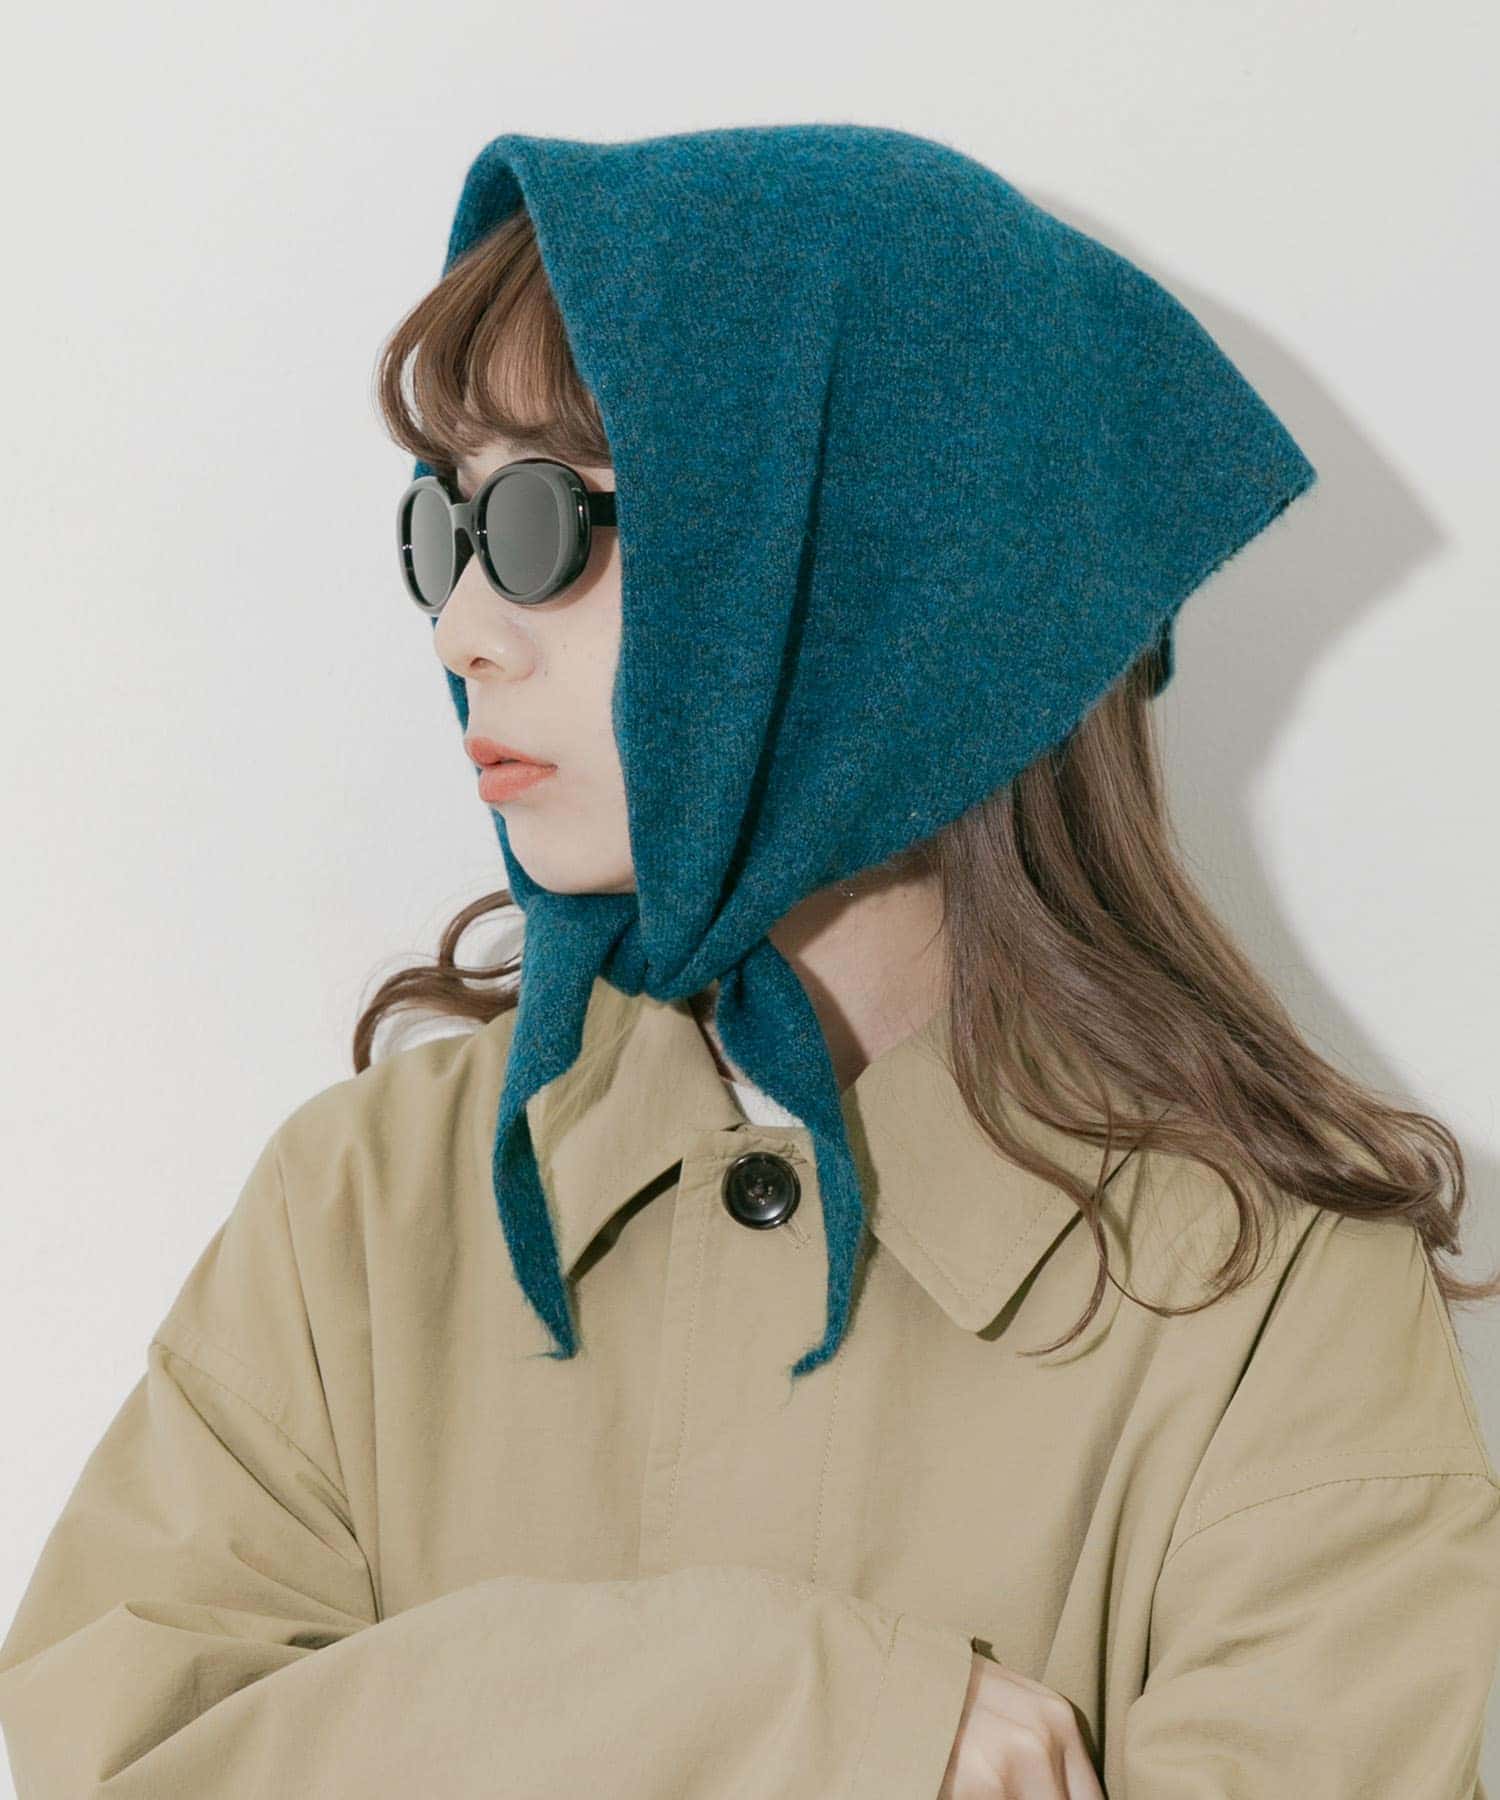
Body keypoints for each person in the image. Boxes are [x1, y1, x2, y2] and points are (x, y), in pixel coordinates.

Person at [2, 122, 1498, 1799]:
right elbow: (122, 1762)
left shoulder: (1272, 1295)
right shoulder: (368, 1208)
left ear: (885, 578)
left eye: (545, 525)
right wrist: (780, 1706)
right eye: (446, 529)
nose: (462, 628)